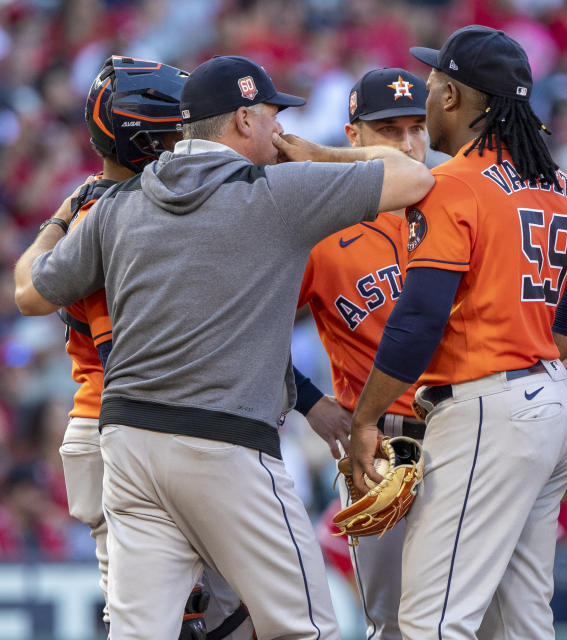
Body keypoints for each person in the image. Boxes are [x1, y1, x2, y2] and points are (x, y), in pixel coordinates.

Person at [13, 54, 433, 639]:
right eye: (271, 116)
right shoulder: (277, 192)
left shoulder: (116, 203)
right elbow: (417, 178)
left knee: (140, 632)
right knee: (306, 626)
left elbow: (29, 289)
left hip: (128, 444)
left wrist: (60, 217)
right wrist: (318, 154)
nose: (279, 129)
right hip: (224, 441)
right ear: (242, 120)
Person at [345, 25, 567, 640]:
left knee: (431, 622)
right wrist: (543, 349)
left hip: (490, 412)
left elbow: (419, 320)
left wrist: (364, 420)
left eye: (432, 79)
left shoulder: (455, 185)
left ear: (451, 96)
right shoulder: (557, 182)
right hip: (552, 403)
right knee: (522, 622)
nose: (424, 90)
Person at [55, 54, 256, 639]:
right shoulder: (111, 217)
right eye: (173, 130)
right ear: (140, 137)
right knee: (168, 624)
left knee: (223, 617)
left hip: (138, 428)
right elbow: (130, 365)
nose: (184, 140)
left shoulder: (114, 208)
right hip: (128, 427)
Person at [291, 66, 431, 640]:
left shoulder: (458, 207)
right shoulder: (319, 233)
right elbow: (243, 330)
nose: (406, 144)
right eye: (388, 130)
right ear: (353, 137)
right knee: (394, 624)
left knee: (494, 616)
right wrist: (308, 401)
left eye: (416, 128)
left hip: (474, 428)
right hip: (382, 444)